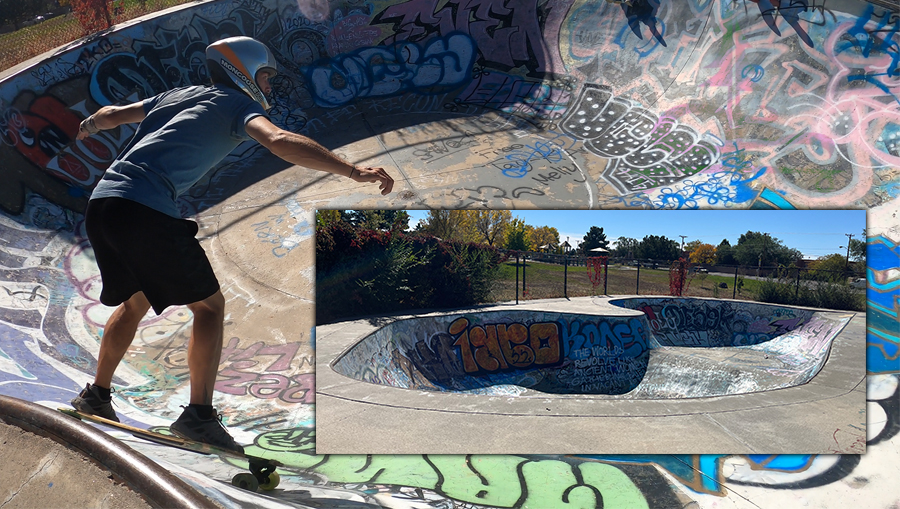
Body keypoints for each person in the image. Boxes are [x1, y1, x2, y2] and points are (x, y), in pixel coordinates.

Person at [70, 36, 393, 452]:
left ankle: (95, 395)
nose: (270, 87)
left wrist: (90, 125)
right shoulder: (239, 106)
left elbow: (113, 115)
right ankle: (198, 418)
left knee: (134, 303)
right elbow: (277, 140)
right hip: (142, 208)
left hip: (103, 205)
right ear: (244, 70)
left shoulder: (179, 94)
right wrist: (351, 170)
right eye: (266, 77)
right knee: (209, 307)